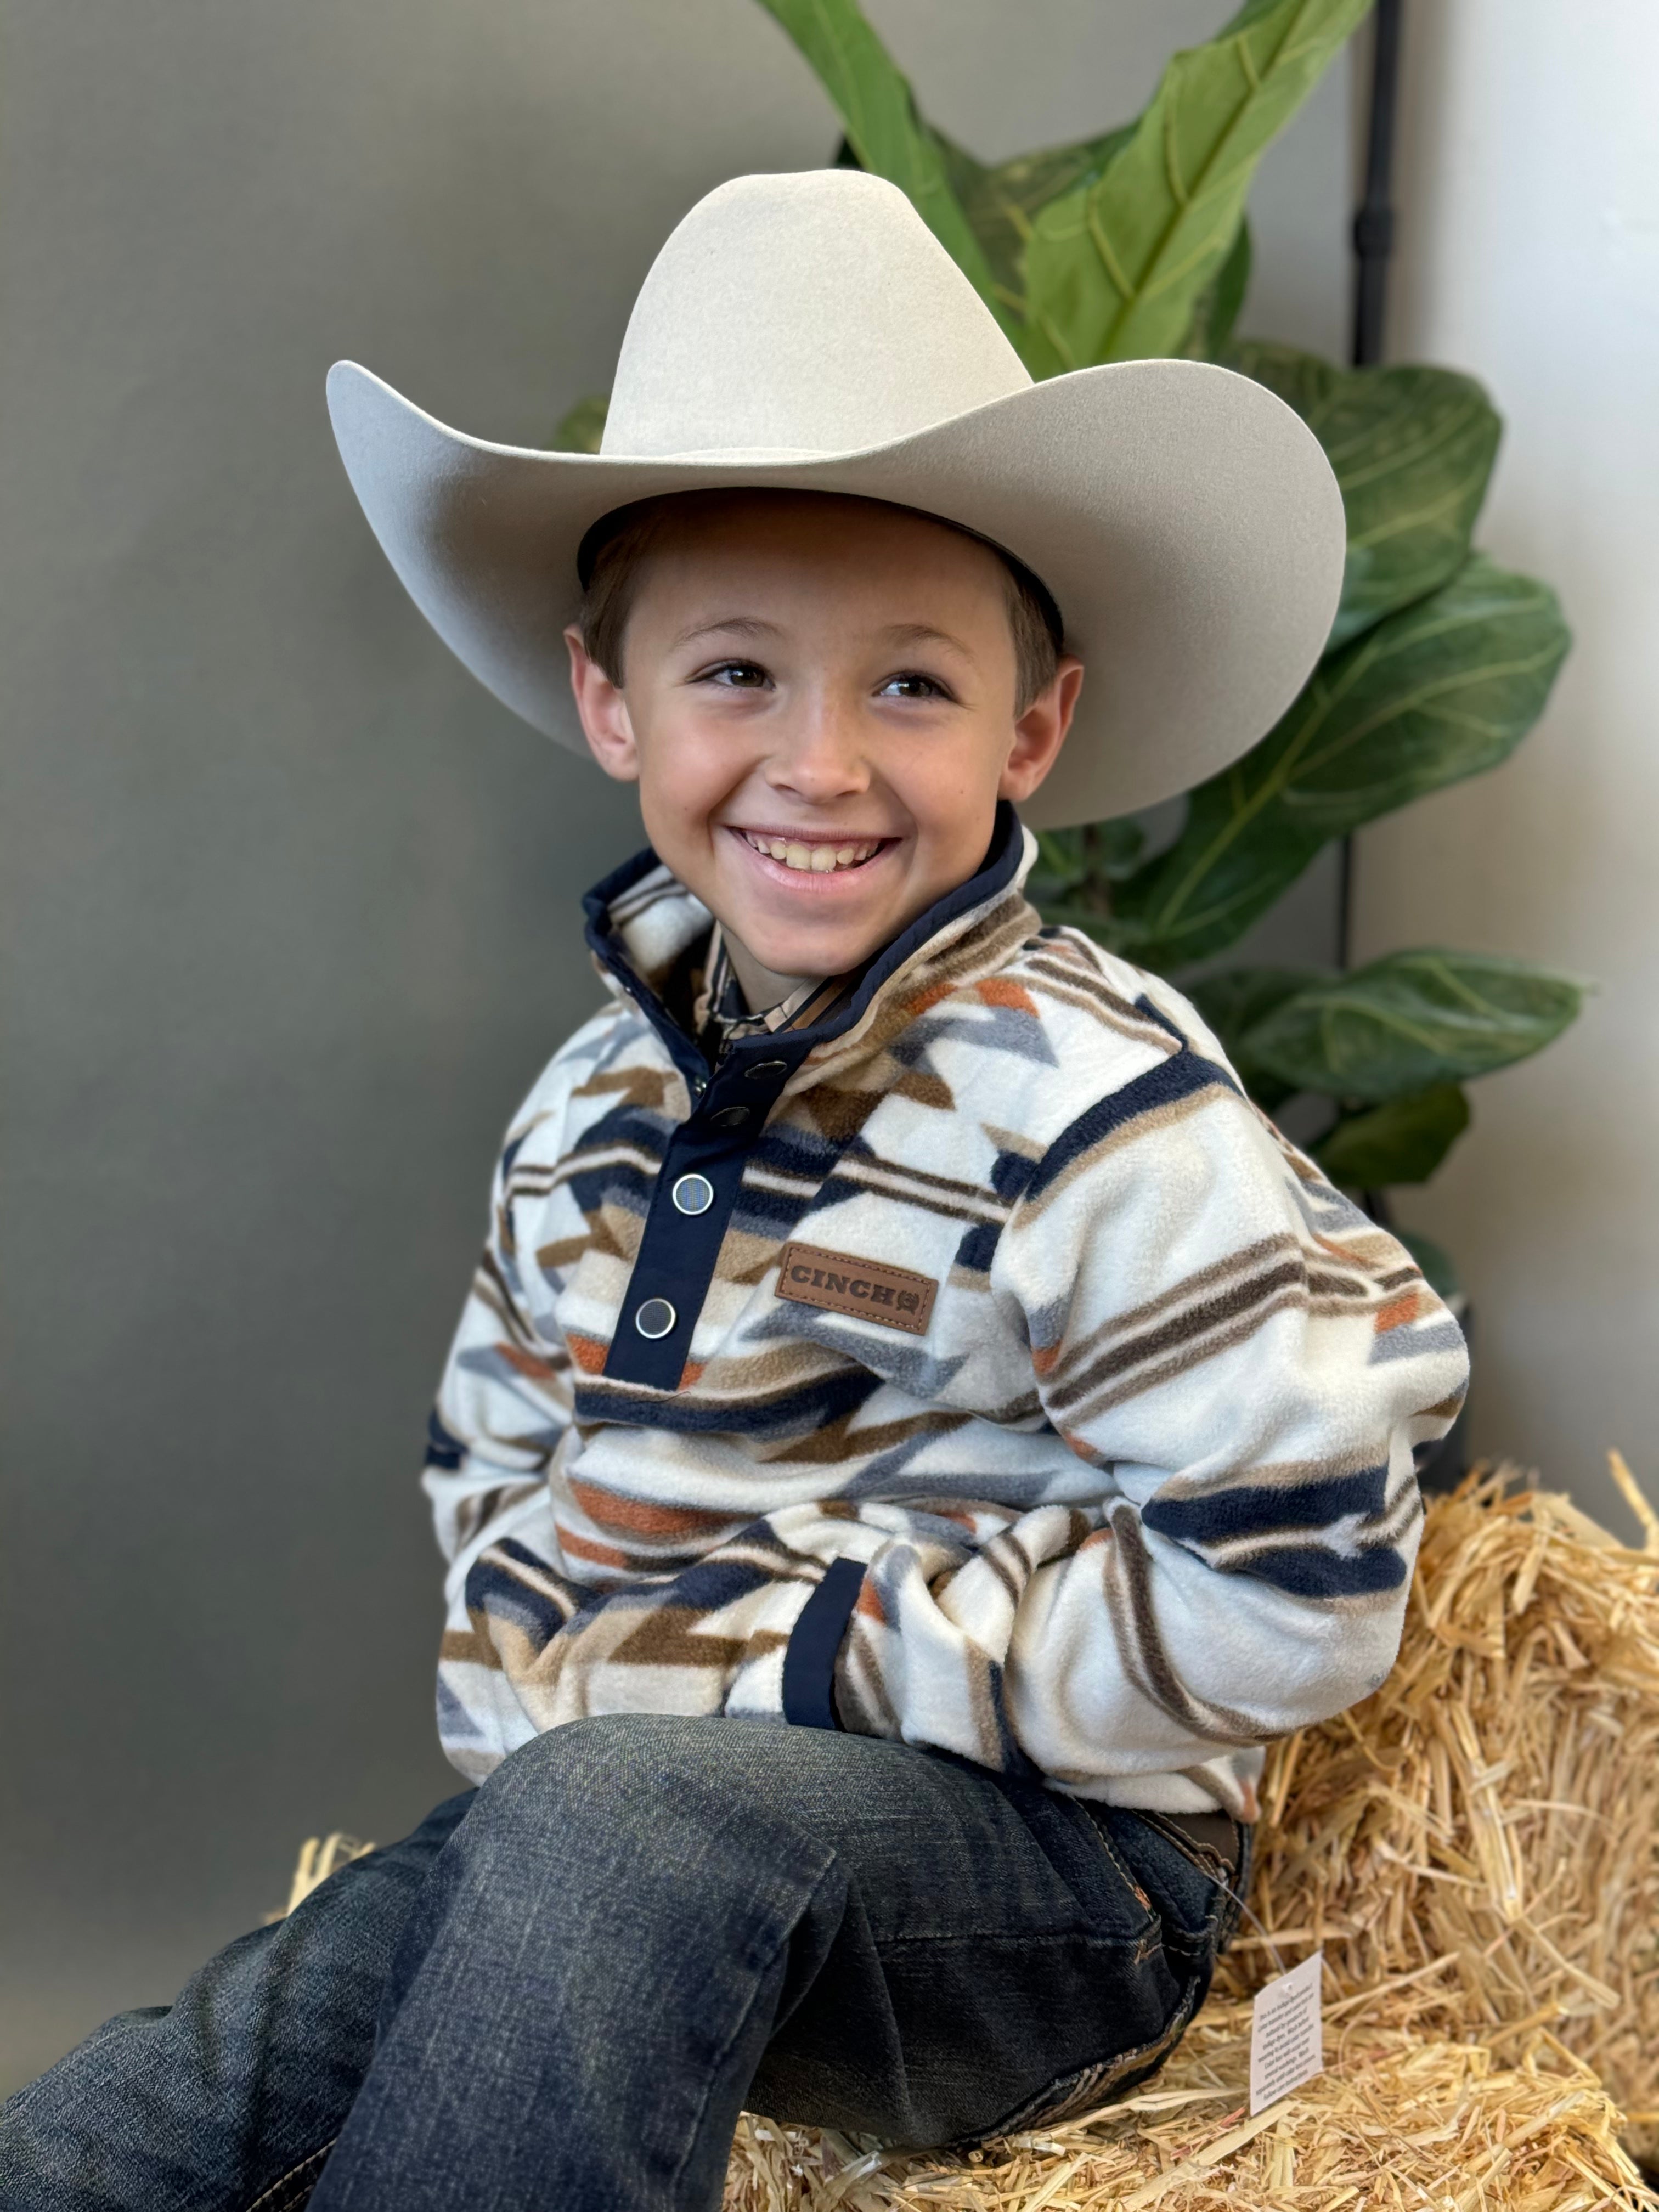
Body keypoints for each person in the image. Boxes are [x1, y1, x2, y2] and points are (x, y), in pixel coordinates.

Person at [1, 170, 1468, 2212]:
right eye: (737, 676)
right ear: (614, 703)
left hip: (1048, 1889)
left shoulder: (1098, 1109)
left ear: (1034, 724)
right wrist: (574, 1673)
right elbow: (495, 1450)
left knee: (621, 1831)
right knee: (192, 2091)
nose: (821, 763)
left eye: (912, 686)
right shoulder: (593, 1098)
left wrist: (815, 1658)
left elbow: (1299, 1598)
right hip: (626, 1819)